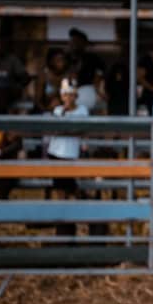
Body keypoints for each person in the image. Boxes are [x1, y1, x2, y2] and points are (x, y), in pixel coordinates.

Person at [46, 79, 90, 237]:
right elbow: (57, 130)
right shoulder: (58, 111)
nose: (68, 98)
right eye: (66, 95)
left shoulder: (82, 111)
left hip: (71, 155)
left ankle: (73, 220)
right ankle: (62, 224)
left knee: (72, 190)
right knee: (60, 191)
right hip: (57, 153)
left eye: (71, 95)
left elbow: (80, 130)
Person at [66, 27, 106, 113]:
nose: (74, 44)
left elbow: (99, 77)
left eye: (77, 41)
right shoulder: (65, 58)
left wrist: (99, 92)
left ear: (84, 43)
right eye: (72, 41)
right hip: (67, 93)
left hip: (87, 93)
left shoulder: (93, 59)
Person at [33, 47, 69, 113]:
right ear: (51, 61)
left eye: (63, 60)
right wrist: (46, 112)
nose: (62, 63)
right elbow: (38, 101)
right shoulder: (43, 76)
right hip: (44, 111)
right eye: (58, 60)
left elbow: (69, 98)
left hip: (63, 111)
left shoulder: (68, 76)